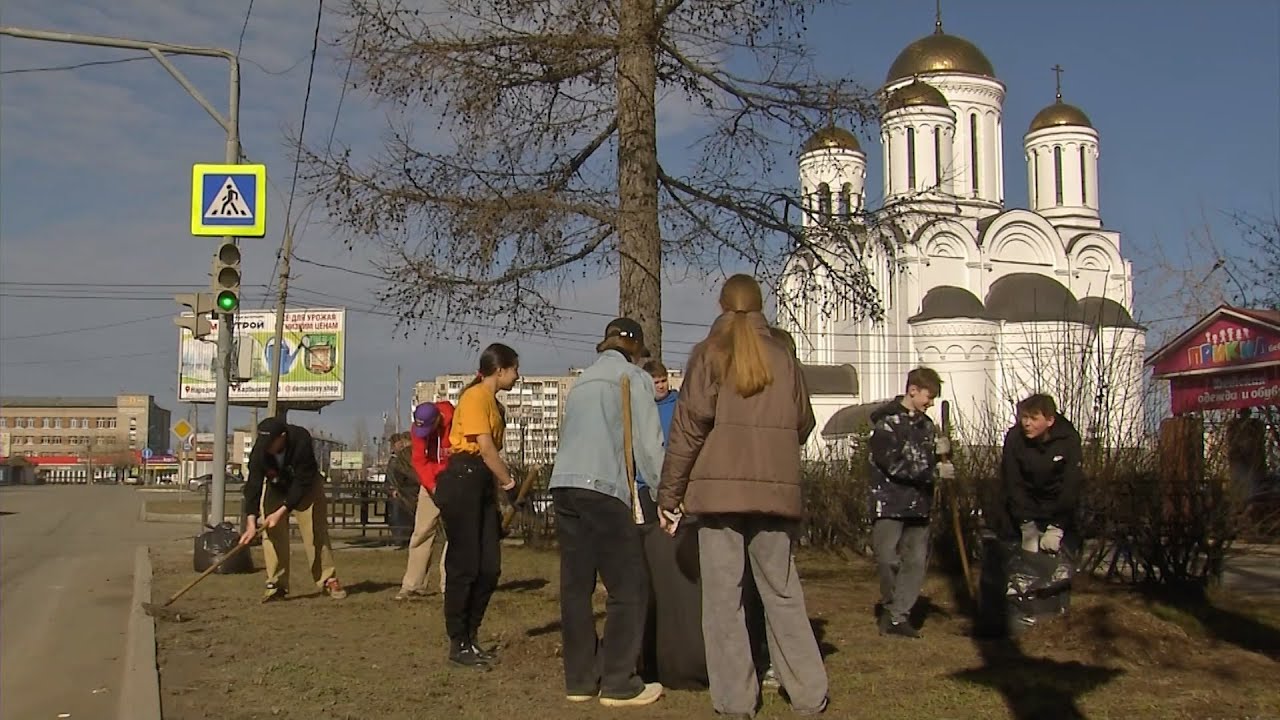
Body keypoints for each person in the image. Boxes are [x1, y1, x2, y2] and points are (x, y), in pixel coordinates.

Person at [658, 274, 828, 719]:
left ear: (721, 305)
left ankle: (736, 701)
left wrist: (669, 493)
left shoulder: (708, 354)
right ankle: (809, 693)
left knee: (723, 601)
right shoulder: (784, 357)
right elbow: (803, 422)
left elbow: (688, 430)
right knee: (783, 593)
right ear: (759, 306)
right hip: (774, 493)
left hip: (718, 496)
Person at [549, 318, 667, 708]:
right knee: (628, 585)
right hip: (602, 486)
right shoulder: (633, 378)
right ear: (635, 348)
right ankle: (619, 681)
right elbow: (649, 446)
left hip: (564, 484)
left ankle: (581, 680)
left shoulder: (582, 381)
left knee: (576, 587)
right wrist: (668, 495)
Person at [434, 343, 520, 668]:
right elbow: (484, 448)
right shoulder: (475, 397)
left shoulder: (493, 403)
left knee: (489, 567)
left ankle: (472, 635)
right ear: (500, 370)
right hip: (463, 479)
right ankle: (458, 642)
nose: (517, 375)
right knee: (465, 565)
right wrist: (509, 484)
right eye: (515, 369)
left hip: (481, 482)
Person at [867, 367, 949, 638]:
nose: (931, 402)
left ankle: (898, 616)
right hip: (889, 502)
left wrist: (941, 455)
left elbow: (926, 461)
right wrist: (932, 469)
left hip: (919, 504)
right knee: (888, 559)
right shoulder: (886, 424)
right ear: (912, 390)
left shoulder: (927, 426)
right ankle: (891, 607)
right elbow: (893, 464)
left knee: (915, 562)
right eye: (929, 396)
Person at [240, 417, 347, 601]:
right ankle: (276, 584)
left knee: (315, 532)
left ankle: (328, 579)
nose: (267, 448)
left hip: (306, 487)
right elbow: (253, 484)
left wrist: (283, 510)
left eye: (270, 443)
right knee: (271, 534)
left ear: (282, 437)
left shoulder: (301, 439)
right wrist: (250, 522)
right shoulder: (260, 449)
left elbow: (302, 481)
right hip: (276, 487)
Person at [1002, 393, 1083, 555]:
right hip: (1024, 511)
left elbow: (1070, 484)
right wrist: (1026, 524)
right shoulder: (1015, 438)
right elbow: (1012, 481)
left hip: (1058, 512)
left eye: (1033, 418)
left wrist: (1057, 526)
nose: (1027, 423)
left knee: (1058, 565)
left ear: (1050, 421)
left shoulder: (1068, 440)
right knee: (1021, 564)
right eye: (1024, 417)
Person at [396, 401, 453, 601]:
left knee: (454, 533)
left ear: (438, 418)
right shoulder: (418, 429)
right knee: (421, 531)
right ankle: (413, 584)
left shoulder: (455, 422)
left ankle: (450, 584)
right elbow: (420, 461)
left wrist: (444, 476)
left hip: (454, 480)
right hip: (430, 484)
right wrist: (431, 484)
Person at [385, 432, 417, 547]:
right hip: (399, 492)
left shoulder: (403, 458)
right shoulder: (396, 459)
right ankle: (400, 538)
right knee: (397, 516)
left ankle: (402, 538)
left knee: (401, 516)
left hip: (404, 492)